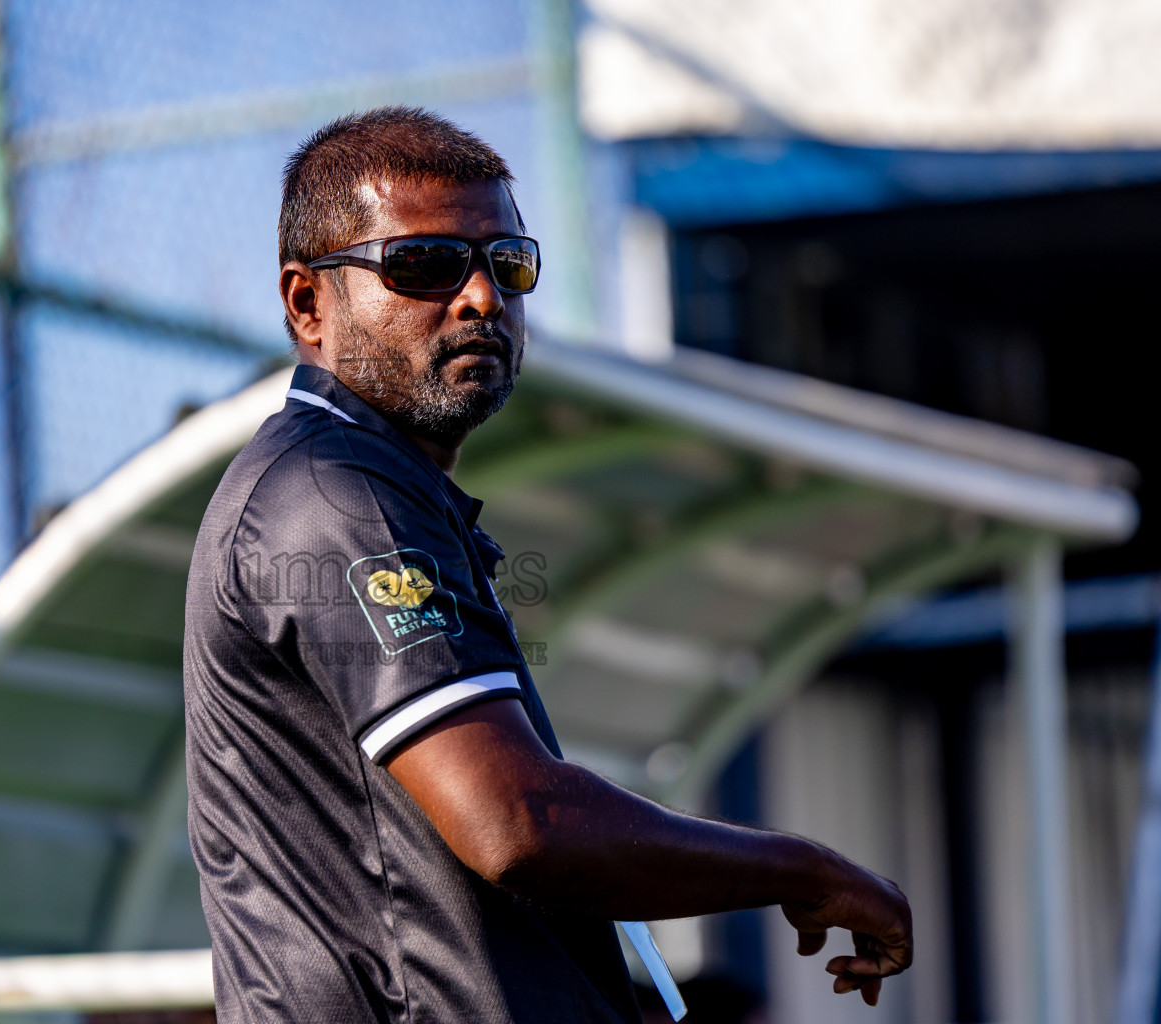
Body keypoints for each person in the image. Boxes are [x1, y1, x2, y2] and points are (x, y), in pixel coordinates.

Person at [182, 106, 911, 1024]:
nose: (481, 297)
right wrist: (801, 869)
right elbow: (515, 825)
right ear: (307, 304)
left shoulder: (372, 486)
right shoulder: (336, 494)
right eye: (425, 264)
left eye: (507, 263)